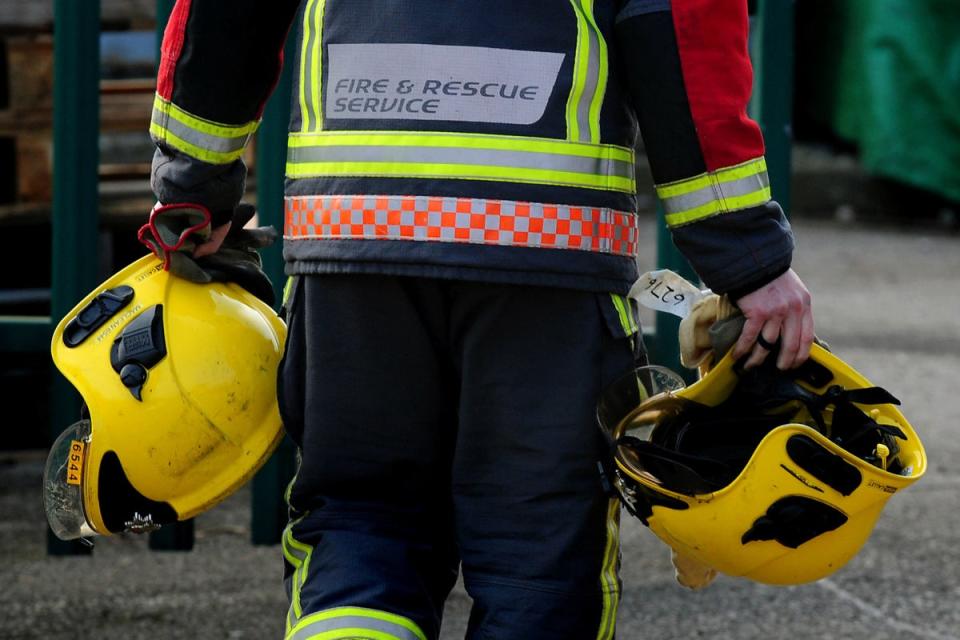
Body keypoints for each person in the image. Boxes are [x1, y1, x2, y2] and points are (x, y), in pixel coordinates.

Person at [147, 1, 814, 638]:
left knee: (360, 527)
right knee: (539, 556)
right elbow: (681, 27)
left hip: (354, 229)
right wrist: (744, 255)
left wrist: (193, 187)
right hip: (544, 243)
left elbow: (223, 15)